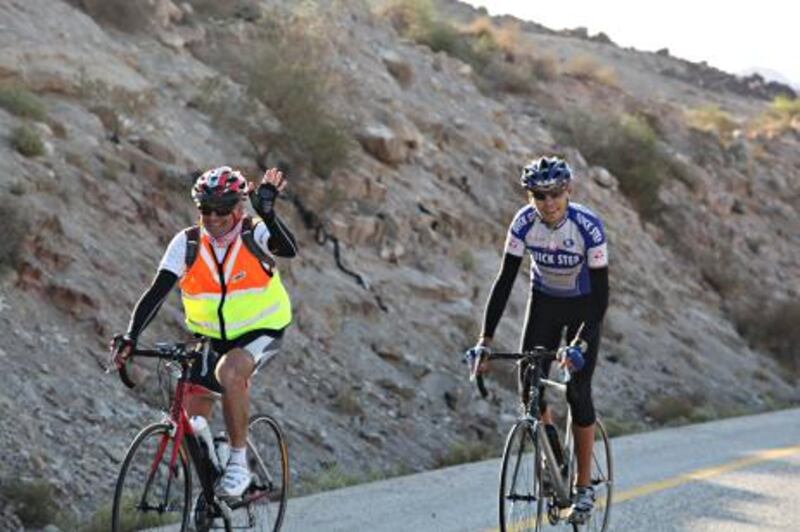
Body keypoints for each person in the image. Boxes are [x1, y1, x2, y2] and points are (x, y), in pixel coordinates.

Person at [111, 165, 297, 498]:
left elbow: (287, 249)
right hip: (211, 337)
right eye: (205, 209)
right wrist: (131, 335)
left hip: (262, 330)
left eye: (222, 210)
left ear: (239, 209)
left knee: (231, 372)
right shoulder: (187, 243)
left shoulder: (253, 233)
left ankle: (239, 464)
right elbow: (157, 291)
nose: (212, 217)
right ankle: (214, 490)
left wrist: (268, 214)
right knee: (193, 419)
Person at [467, 156, 609, 524]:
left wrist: (579, 343)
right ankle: (553, 458)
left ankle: (582, 487)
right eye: (539, 196)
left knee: (578, 390)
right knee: (528, 382)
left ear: (569, 191)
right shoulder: (523, 223)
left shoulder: (587, 226)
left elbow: (601, 294)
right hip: (544, 303)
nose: (548, 204)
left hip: (583, 307)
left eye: (555, 195)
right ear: (530, 197)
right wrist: (485, 339)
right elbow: (504, 280)